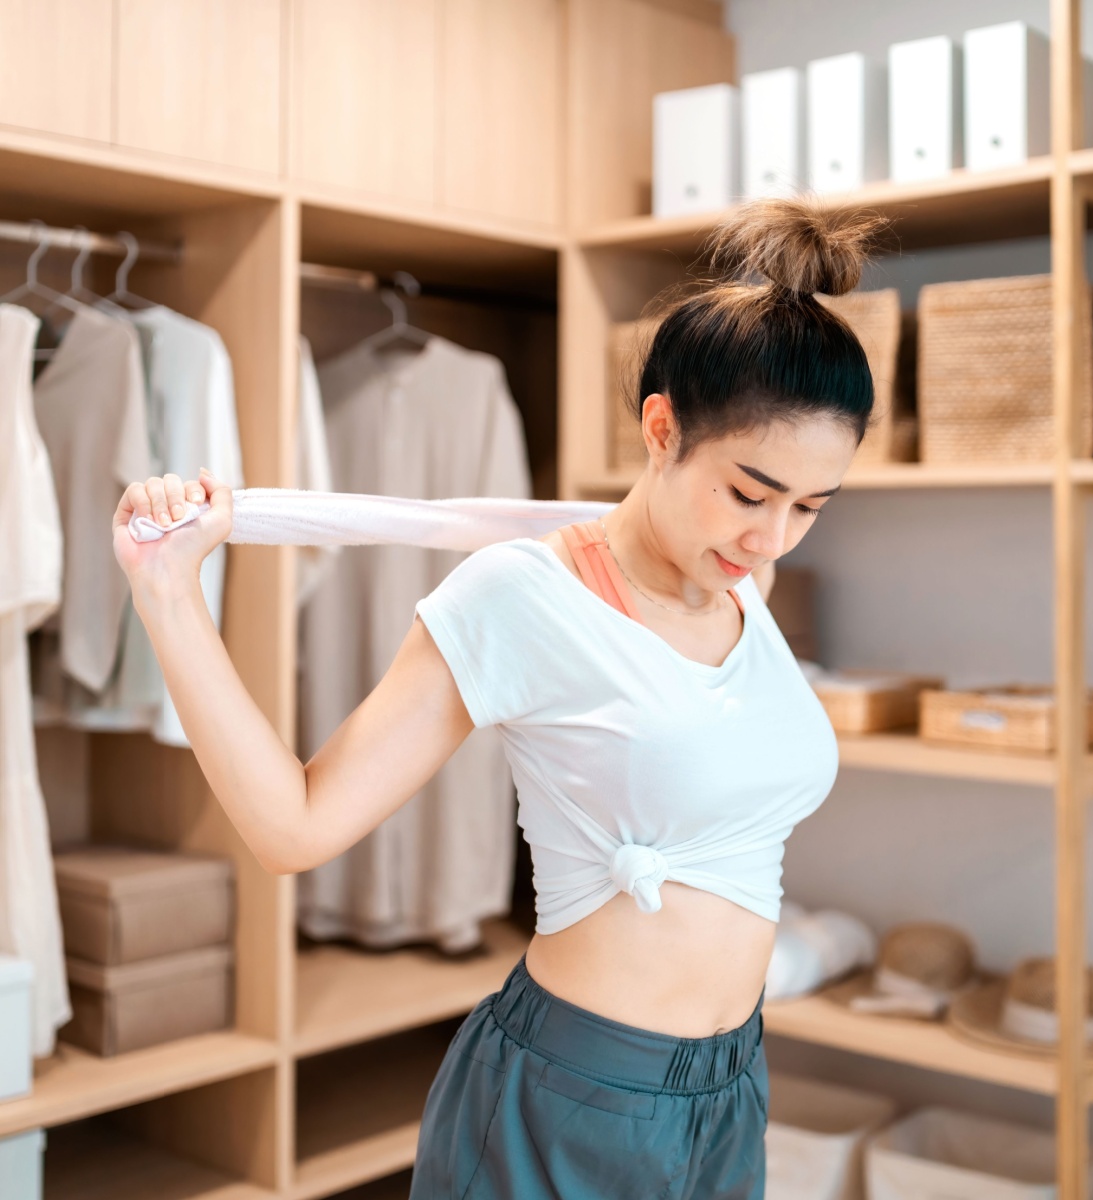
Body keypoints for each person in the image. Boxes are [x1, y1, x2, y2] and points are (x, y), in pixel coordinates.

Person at [112, 197, 885, 1200]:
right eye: (749, 493)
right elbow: (291, 827)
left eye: (809, 507)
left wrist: (746, 528)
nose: (772, 537)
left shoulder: (750, 584)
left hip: (730, 1087)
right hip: (565, 1095)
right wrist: (168, 595)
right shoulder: (520, 595)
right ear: (662, 428)